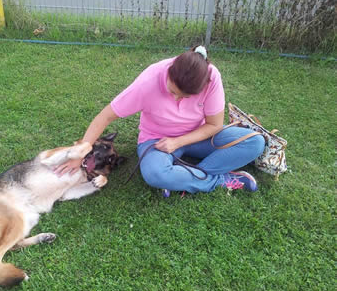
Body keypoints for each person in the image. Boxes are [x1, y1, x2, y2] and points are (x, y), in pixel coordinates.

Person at [55, 45, 265, 193]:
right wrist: (78, 154)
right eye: (173, 91)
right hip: (156, 141)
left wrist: (178, 142)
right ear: (170, 72)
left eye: (184, 97)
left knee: (255, 142)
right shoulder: (148, 81)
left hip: (200, 135)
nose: (176, 99)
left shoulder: (211, 77)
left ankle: (182, 178)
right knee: (155, 174)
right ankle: (218, 180)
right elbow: (105, 116)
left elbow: (215, 125)